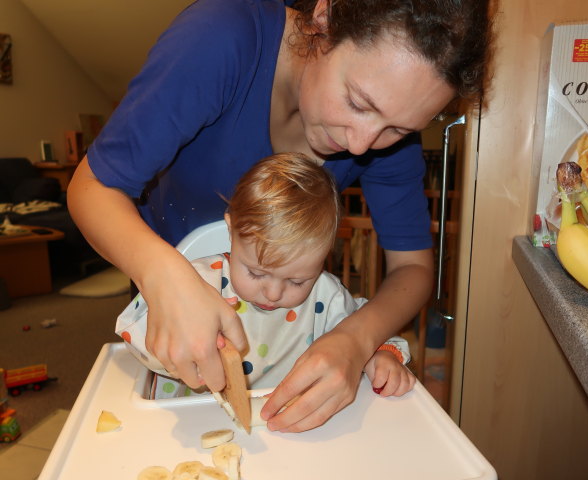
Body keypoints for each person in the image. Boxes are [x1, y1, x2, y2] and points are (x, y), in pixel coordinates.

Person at [67, 0, 492, 432]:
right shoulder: (220, 39)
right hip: (160, 283)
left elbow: (414, 267)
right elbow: (91, 189)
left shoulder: (385, 121)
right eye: (358, 102)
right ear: (323, 21)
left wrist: (356, 339)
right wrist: (163, 276)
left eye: (399, 130)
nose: (363, 145)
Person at [117, 153, 415, 401]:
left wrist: (382, 356)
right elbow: (134, 332)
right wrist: (178, 340)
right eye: (256, 272)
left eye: (297, 281)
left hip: (289, 428)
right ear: (231, 231)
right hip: (199, 424)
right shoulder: (198, 284)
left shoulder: (326, 296)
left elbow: (369, 331)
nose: (273, 293)